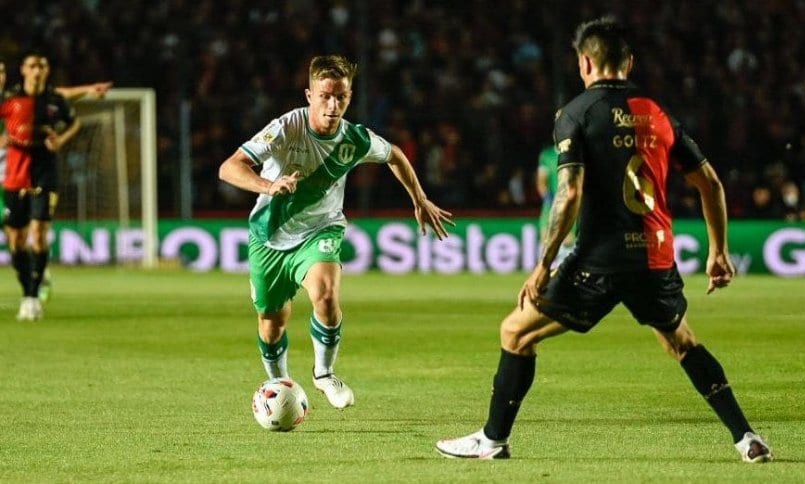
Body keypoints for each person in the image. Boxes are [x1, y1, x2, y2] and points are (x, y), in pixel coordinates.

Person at [435, 17, 772, 463]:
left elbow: (569, 192)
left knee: (514, 332)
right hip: (654, 258)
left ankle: (492, 440)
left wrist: (543, 263)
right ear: (628, 63)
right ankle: (745, 438)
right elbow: (710, 182)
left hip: (597, 261)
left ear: (585, 62)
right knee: (681, 342)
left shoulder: (574, 114)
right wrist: (718, 251)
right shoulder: (658, 113)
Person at [219, 55, 454, 409]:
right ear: (309, 95)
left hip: (321, 228)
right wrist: (268, 186)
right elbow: (229, 167)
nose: (333, 105)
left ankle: (324, 373)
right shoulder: (285, 128)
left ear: (349, 96)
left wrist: (419, 199)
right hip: (269, 235)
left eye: (341, 97)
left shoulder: (356, 139)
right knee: (271, 321)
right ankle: (278, 382)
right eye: (325, 96)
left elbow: (396, 156)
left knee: (326, 295)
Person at [1, 52, 85, 321]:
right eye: (32, 66)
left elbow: (75, 123)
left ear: (46, 71)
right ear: (24, 70)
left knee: (38, 233)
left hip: (45, 172)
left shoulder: (54, 100)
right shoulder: (10, 98)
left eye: (42, 66)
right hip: (14, 173)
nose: (37, 70)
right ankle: (29, 289)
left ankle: (32, 296)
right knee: (16, 239)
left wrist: (60, 140)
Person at [535, 144, 575, 262]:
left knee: (569, 242)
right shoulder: (547, 155)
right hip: (551, 206)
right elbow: (541, 182)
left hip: (571, 206)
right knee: (546, 241)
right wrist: (548, 198)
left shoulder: (575, 152)